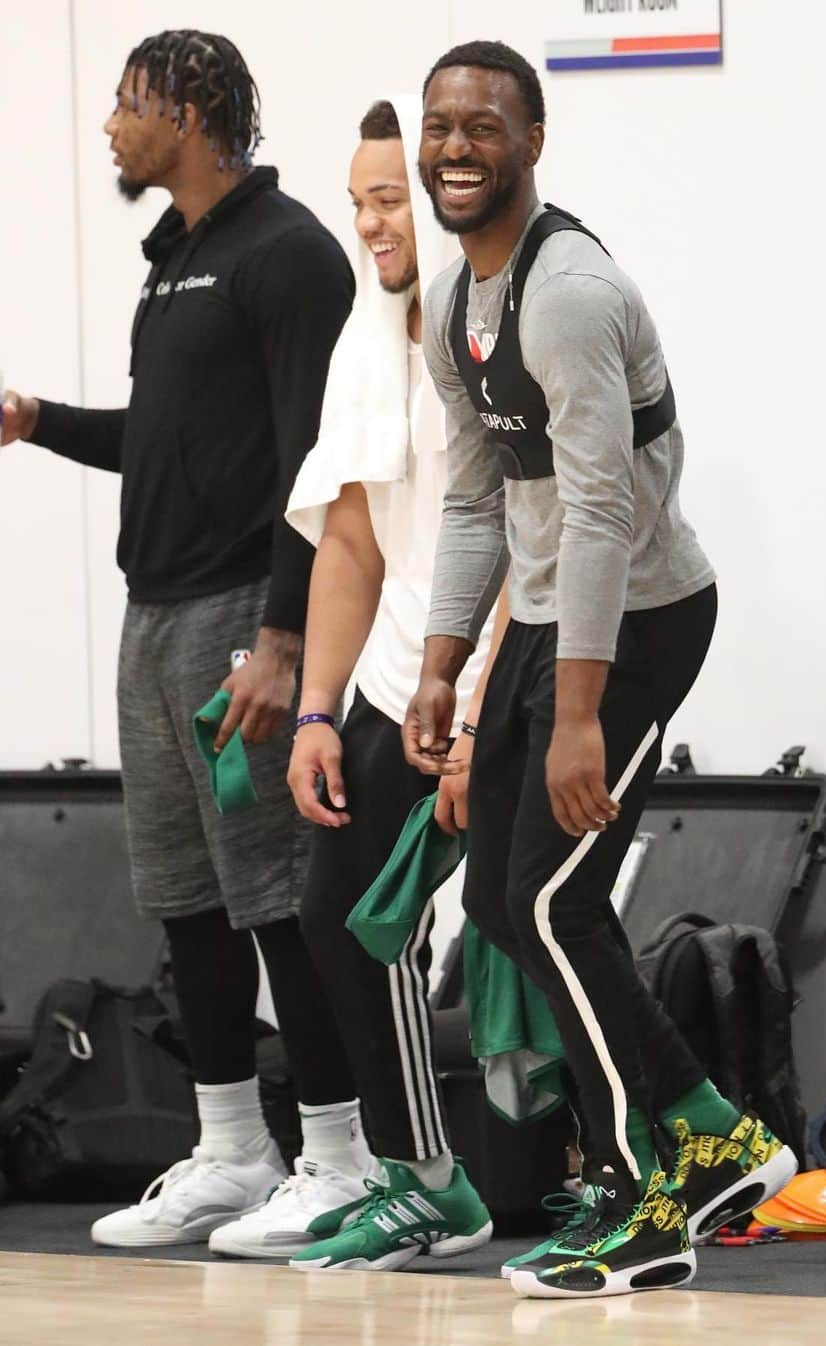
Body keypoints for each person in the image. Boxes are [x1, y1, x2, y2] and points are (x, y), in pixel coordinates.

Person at [405, 41, 798, 1299]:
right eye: (441, 126)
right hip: (544, 615)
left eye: (484, 127)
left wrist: (577, 714)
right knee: (511, 904)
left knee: (561, 902)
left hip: (639, 616)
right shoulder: (454, 306)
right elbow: (479, 498)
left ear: (532, 141)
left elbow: (597, 513)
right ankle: (715, 1130)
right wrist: (440, 668)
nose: (456, 148)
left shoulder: (567, 293)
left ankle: (644, 1205)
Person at [1, 30, 372, 1250]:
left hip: (236, 621)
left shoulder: (291, 255)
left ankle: (341, 1156)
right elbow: (162, 441)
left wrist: (279, 637)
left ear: (194, 109)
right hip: (151, 615)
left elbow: (316, 466)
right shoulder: (175, 262)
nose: (111, 124)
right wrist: (36, 420)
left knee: (272, 894)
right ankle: (230, 1147)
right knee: (185, 899)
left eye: (128, 102)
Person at [207, 96, 498, 1270]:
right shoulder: (368, 333)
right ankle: (419, 1176)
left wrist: (482, 708)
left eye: (389, 200)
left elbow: (537, 537)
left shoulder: (490, 323)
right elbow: (350, 542)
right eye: (362, 200)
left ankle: (629, 1168)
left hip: (492, 665)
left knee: (533, 923)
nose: (373, 222)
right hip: (390, 674)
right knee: (341, 918)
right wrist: (317, 710)